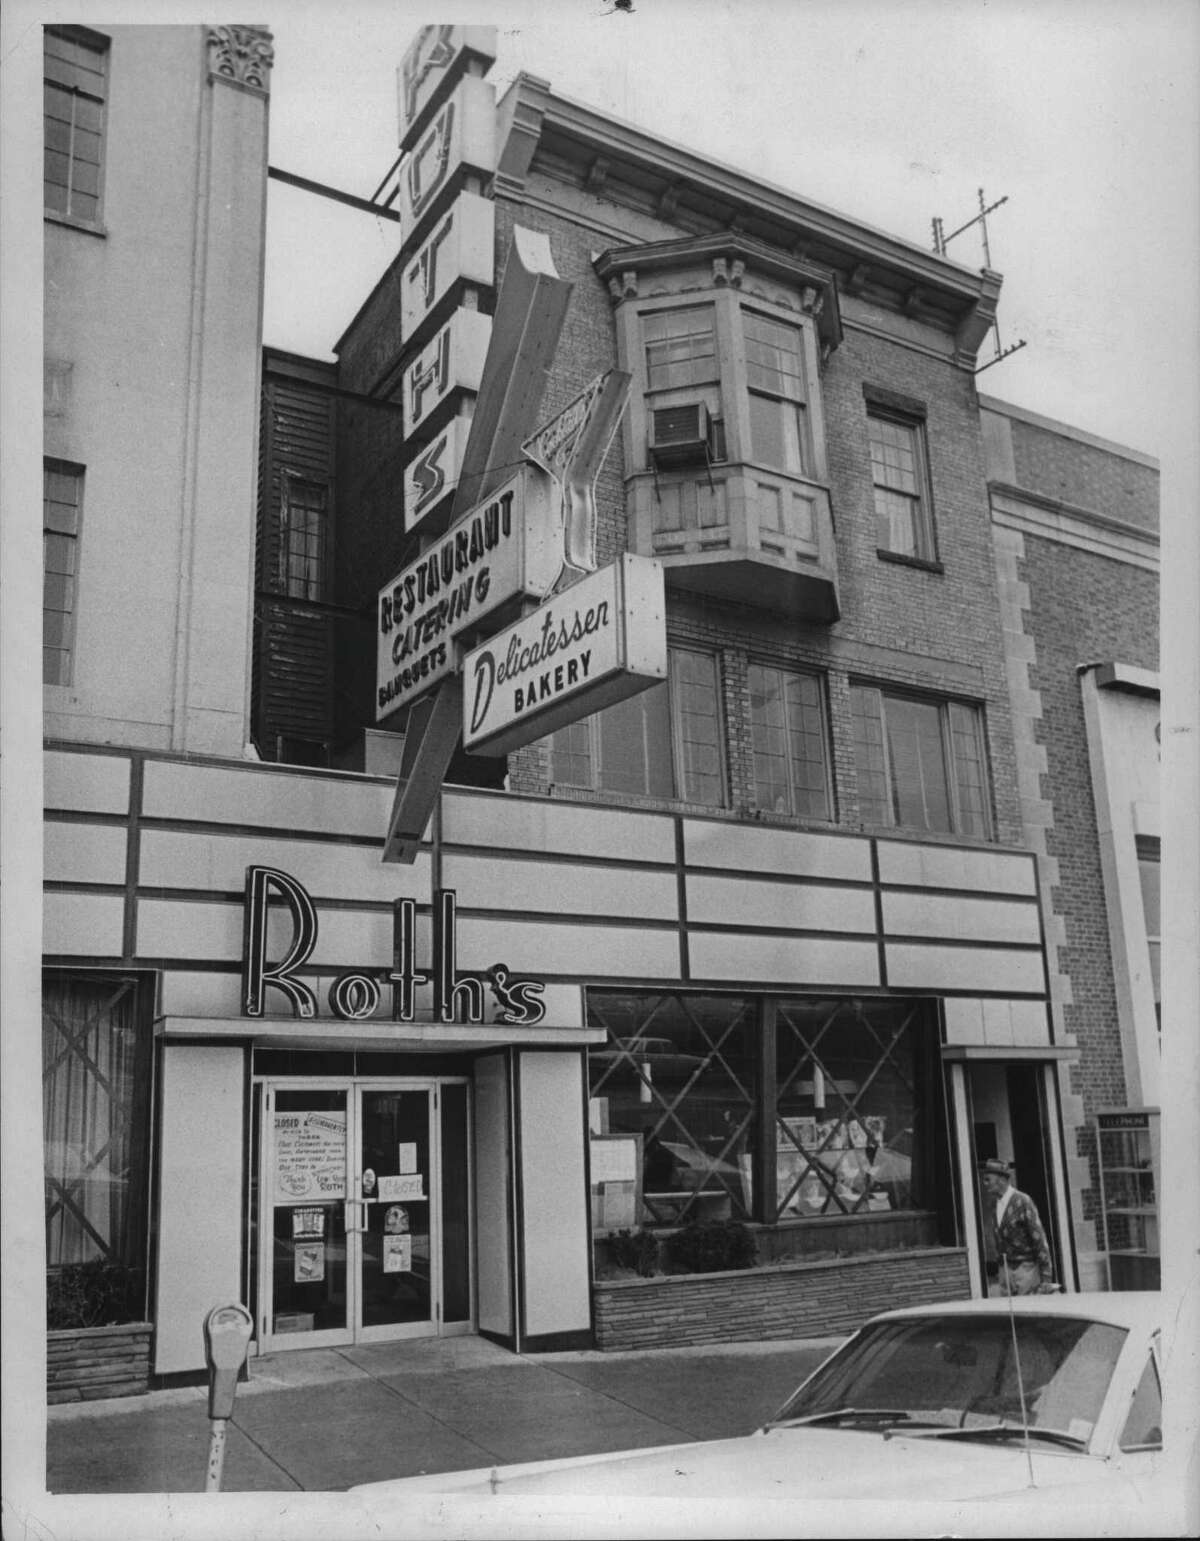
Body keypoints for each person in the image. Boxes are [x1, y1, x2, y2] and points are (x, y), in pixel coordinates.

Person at [979, 1156, 1056, 1296]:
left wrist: (1046, 1278)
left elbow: (1039, 1240)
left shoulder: (1023, 1201)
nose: (985, 1184)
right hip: (1005, 1272)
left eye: (987, 1179)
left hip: (1026, 1270)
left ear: (1001, 1180)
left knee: (1028, 1312)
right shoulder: (994, 1205)